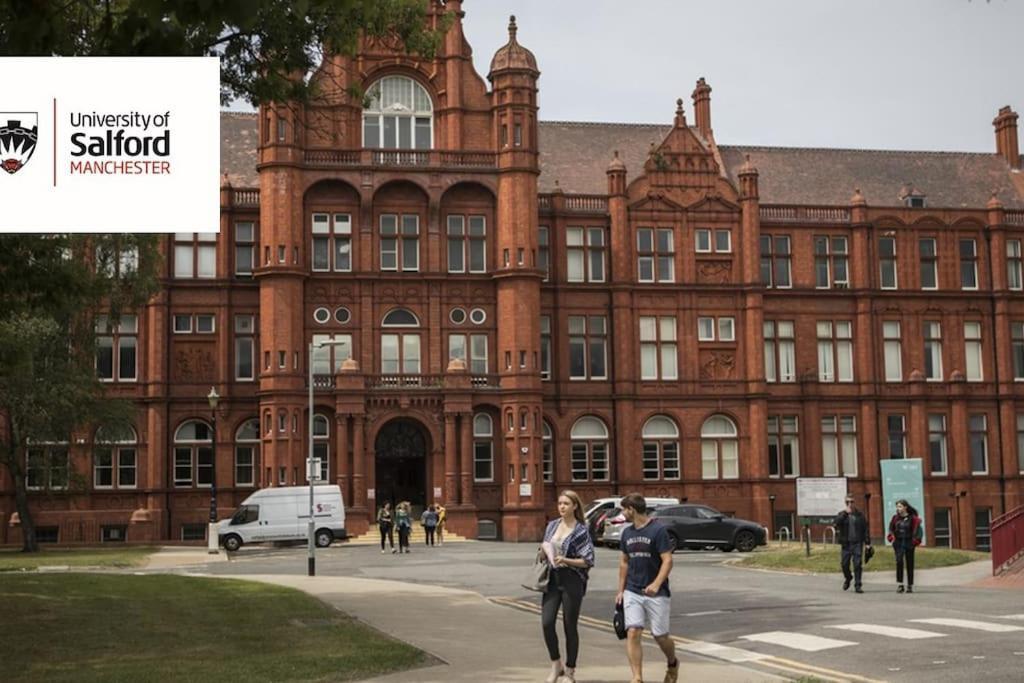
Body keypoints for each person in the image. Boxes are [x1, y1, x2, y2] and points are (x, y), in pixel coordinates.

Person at [616, 493, 678, 683]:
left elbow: (667, 560)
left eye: (623, 509)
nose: (622, 513)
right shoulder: (627, 533)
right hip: (633, 590)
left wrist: (656, 584)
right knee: (633, 631)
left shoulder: (657, 530)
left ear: (631, 510)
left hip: (656, 592)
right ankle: (637, 678)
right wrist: (620, 590)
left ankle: (672, 662)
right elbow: (624, 563)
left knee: (660, 636)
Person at [540, 490, 595, 683]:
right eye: (560, 503)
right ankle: (556, 664)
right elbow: (546, 546)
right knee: (547, 623)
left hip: (572, 580)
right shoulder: (552, 525)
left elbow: (588, 560)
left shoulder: (581, 530)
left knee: (569, 626)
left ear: (575, 507)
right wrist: (542, 553)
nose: (562, 507)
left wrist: (567, 560)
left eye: (566, 504)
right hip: (552, 579)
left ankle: (570, 671)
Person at [833, 495, 871, 594]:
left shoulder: (860, 515)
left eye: (852, 502)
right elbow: (836, 523)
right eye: (848, 502)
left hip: (857, 543)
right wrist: (845, 513)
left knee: (857, 564)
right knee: (844, 564)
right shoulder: (842, 514)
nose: (850, 504)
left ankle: (858, 585)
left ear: (854, 502)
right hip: (846, 544)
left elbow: (865, 530)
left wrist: (867, 543)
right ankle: (848, 577)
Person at [887, 499, 923, 593]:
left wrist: (915, 541)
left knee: (909, 563)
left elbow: (918, 530)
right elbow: (891, 529)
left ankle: (910, 585)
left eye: (900, 506)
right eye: (897, 507)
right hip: (898, 543)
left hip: (909, 542)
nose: (898, 509)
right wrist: (891, 537)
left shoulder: (913, 518)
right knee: (899, 561)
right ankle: (900, 584)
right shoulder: (895, 518)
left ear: (905, 507)